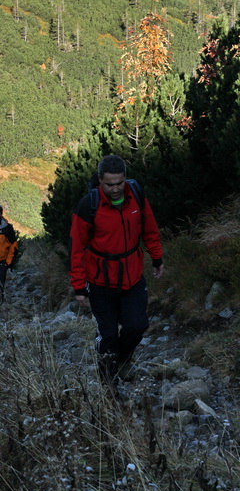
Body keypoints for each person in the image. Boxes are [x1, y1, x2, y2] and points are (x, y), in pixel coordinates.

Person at [69, 154, 164, 384]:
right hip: (100, 280)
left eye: (119, 183)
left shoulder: (136, 196)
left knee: (137, 325)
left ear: (125, 179)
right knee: (108, 333)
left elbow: (149, 229)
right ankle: (107, 381)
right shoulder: (88, 205)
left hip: (132, 275)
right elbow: (77, 247)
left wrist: (157, 257)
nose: (115, 189)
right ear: (100, 180)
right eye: (110, 184)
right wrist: (79, 286)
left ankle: (121, 361)